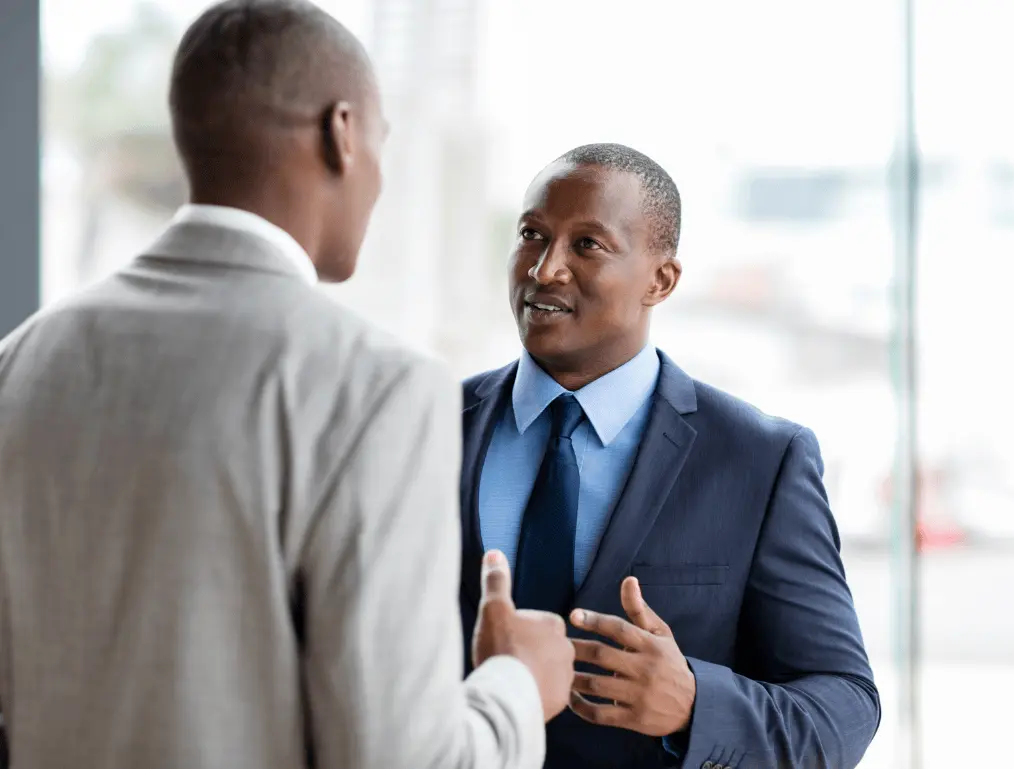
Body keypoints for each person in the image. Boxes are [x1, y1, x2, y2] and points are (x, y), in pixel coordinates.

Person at [0, 1, 574, 767]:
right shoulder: (377, 389)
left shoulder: (22, 360)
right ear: (341, 133)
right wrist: (516, 686)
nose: (379, 179)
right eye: (380, 141)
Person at [458, 143, 881, 768]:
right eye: (532, 235)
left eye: (587, 245)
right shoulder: (429, 426)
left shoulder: (761, 459)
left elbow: (844, 710)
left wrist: (694, 703)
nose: (545, 269)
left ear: (661, 279)